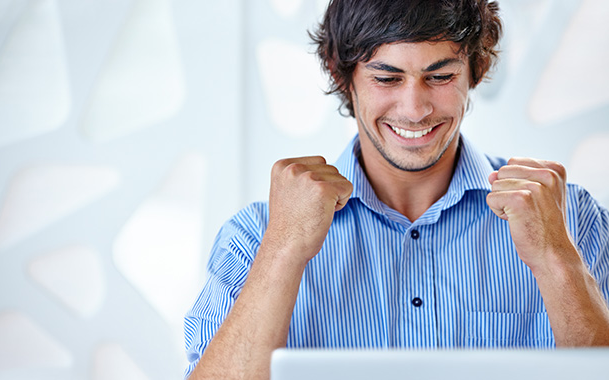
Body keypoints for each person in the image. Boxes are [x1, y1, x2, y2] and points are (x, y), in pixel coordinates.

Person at [184, 0, 609, 378]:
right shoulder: (257, 235)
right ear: (341, 74)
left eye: (439, 76)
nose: (414, 109)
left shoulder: (570, 219)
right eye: (387, 78)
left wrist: (557, 260)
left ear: (476, 70)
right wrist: (282, 249)